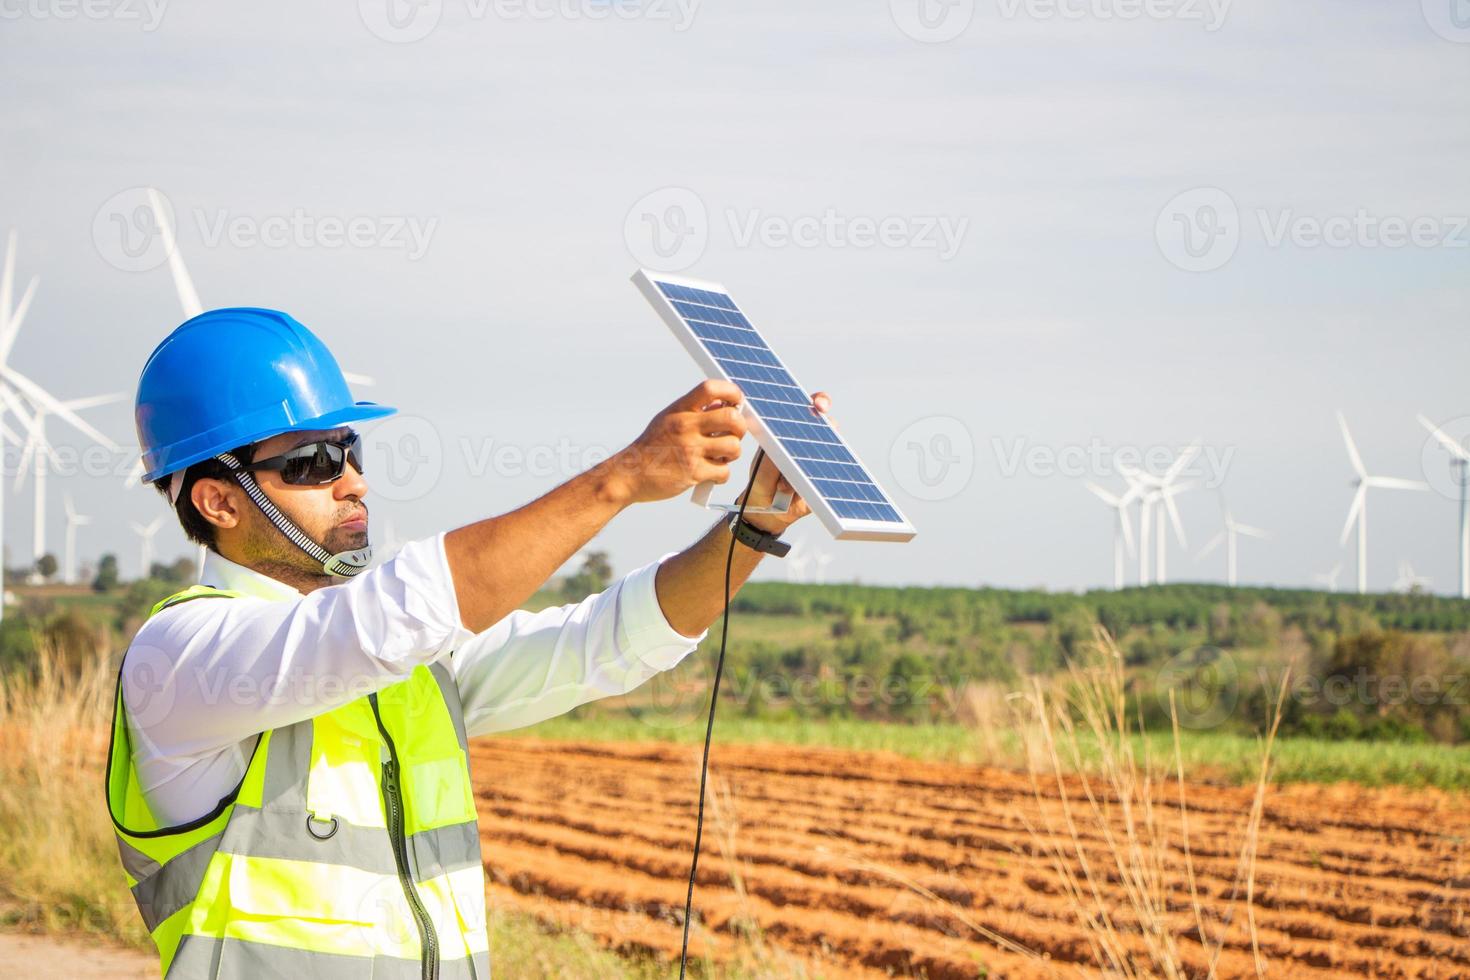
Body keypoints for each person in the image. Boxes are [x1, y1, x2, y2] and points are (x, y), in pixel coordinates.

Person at [105, 306, 830, 978]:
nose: (353, 481)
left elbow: (608, 640)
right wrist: (625, 476)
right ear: (219, 500)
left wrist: (754, 529)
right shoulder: (183, 657)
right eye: (312, 462)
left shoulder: (415, 663)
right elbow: (398, 614)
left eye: (349, 448)